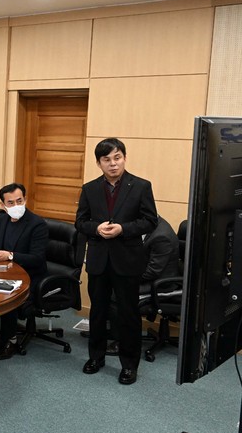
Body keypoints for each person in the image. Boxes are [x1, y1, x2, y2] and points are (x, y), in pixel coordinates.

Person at [75, 138, 157, 385]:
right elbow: (80, 222)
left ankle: (129, 365)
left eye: (117, 157)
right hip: (99, 260)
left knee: (128, 315)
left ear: (124, 158)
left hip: (127, 260)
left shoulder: (141, 186)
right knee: (98, 313)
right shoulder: (89, 189)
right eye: (106, 159)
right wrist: (96, 228)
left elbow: (150, 221)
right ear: (98, 163)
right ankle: (96, 357)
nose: (113, 164)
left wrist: (123, 228)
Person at [0, 183, 48, 360]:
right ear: (3, 205)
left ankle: (10, 340)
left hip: (30, 275)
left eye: (19, 201)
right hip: (7, 269)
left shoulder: (37, 224)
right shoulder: (2, 218)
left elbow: (37, 258)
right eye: (11, 203)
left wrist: (11, 255)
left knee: (5, 293)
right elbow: (4, 247)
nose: (16, 206)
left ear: (25, 199)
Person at [106, 215, 180, 355]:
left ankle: (123, 343)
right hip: (147, 277)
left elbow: (153, 271)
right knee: (106, 286)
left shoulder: (161, 236)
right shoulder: (147, 226)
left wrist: (125, 275)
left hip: (161, 285)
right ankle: (114, 331)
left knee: (118, 295)